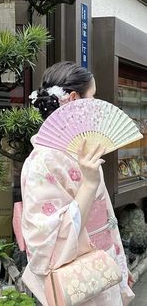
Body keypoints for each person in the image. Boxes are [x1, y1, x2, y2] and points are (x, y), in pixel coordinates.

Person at [20, 61, 135, 306]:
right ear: (74, 99)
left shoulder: (81, 148)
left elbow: (105, 217)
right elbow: (48, 238)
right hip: (78, 275)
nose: (96, 103)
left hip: (103, 264)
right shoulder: (42, 162)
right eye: (92, 96)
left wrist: (119, 264)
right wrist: (90, 184)